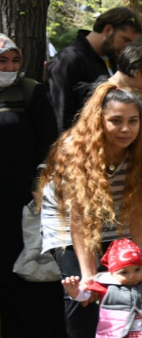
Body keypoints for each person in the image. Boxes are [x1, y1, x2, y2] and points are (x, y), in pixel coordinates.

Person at [39, 83, 142, 338]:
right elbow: (79, 217)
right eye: (116, 121)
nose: (126, 129)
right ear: (99, 120)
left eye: (133, 121)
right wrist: (89, 273)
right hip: (70, 222)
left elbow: (138, 212)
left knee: (141, 281)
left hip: (118, 214)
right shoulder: (76, 150)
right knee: (86, 295)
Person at [0, 33, 64, 338]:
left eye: (15, 60)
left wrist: (41, 184)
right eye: (3, 61)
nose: (10, 67)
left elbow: (49, 144)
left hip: (24, 203)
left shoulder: (30, 92)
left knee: (26, 270)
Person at [47, 7, 142, 132]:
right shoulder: (69, 59)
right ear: (108, 29)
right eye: (125, 40)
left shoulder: (115, 60)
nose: (127, 47)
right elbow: (62, 114)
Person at [60, 239, 142, 338]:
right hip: (117, 332)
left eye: (138, 269)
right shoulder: (105, 283)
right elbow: (85, 296)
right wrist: (73, 291)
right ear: (112, 272)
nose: (132, 275)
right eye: (124, 272)